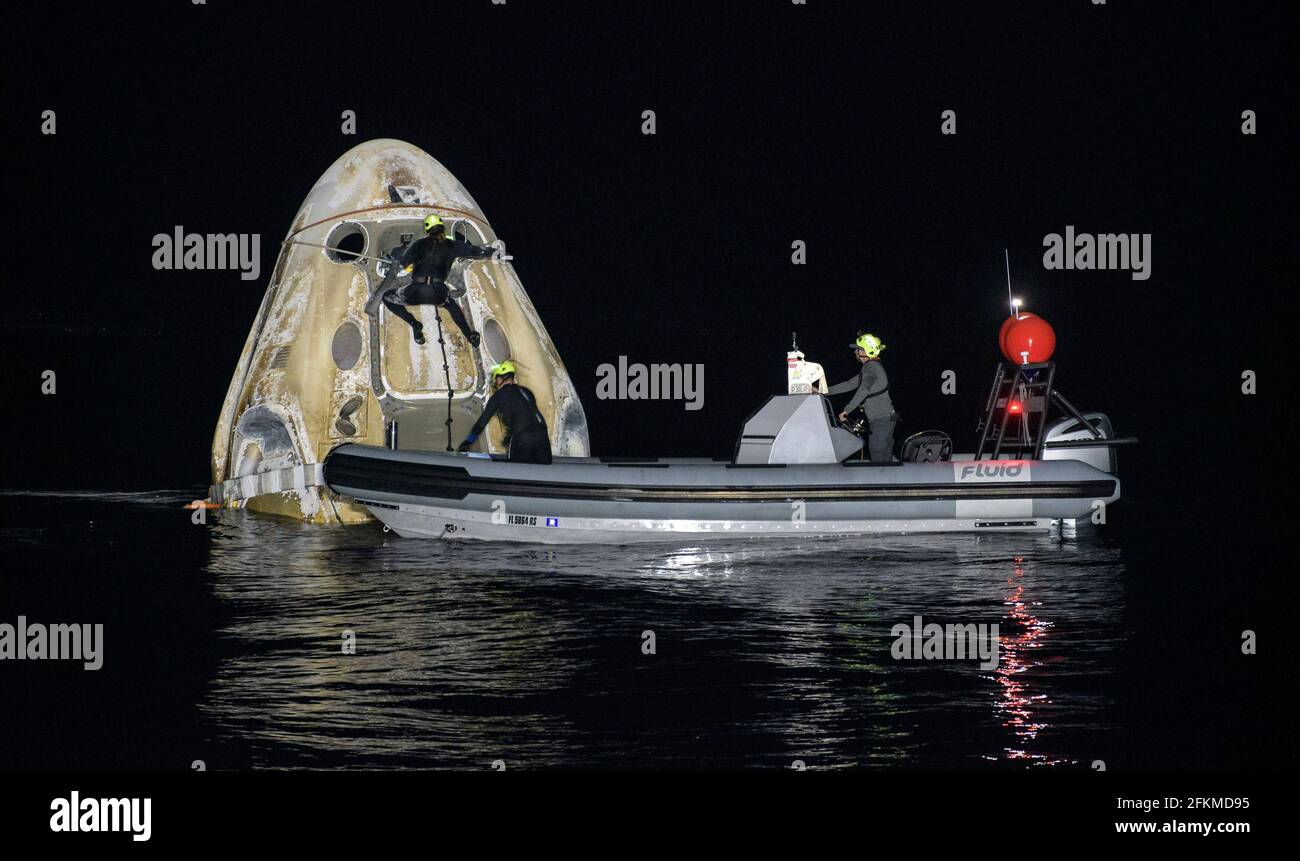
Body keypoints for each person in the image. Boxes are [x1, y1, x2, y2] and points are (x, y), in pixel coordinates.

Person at [366, 214, 497, 346]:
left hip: (416, 291)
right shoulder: (453, 245)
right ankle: (470, 336)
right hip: (438, 293)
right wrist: (494, 252)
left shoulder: (419, 244)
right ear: (442, 228)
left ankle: (414, 324)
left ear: (427, 230)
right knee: (451, 306)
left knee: (388, 297)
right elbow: (476, 251)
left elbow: (404, 263)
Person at [457, 361, 553, 464]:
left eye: (496, 380)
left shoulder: (499, 396)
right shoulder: (526, 392)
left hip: (522, 437)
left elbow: (482, 422)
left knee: (515, 470)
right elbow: (526, 414)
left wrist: (468, 442)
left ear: (499, 379)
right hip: (542, 435)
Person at [828, 332, 897, 462]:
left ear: (867, 351)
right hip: (885, 419)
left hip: (881, 420)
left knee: (878, 456)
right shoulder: (873, 367)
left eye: (858, 349)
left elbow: (864, 389)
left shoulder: (870, 367)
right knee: (885, 459)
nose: (855, 352)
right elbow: (849, 384)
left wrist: (847, 410)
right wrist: (823, 391)